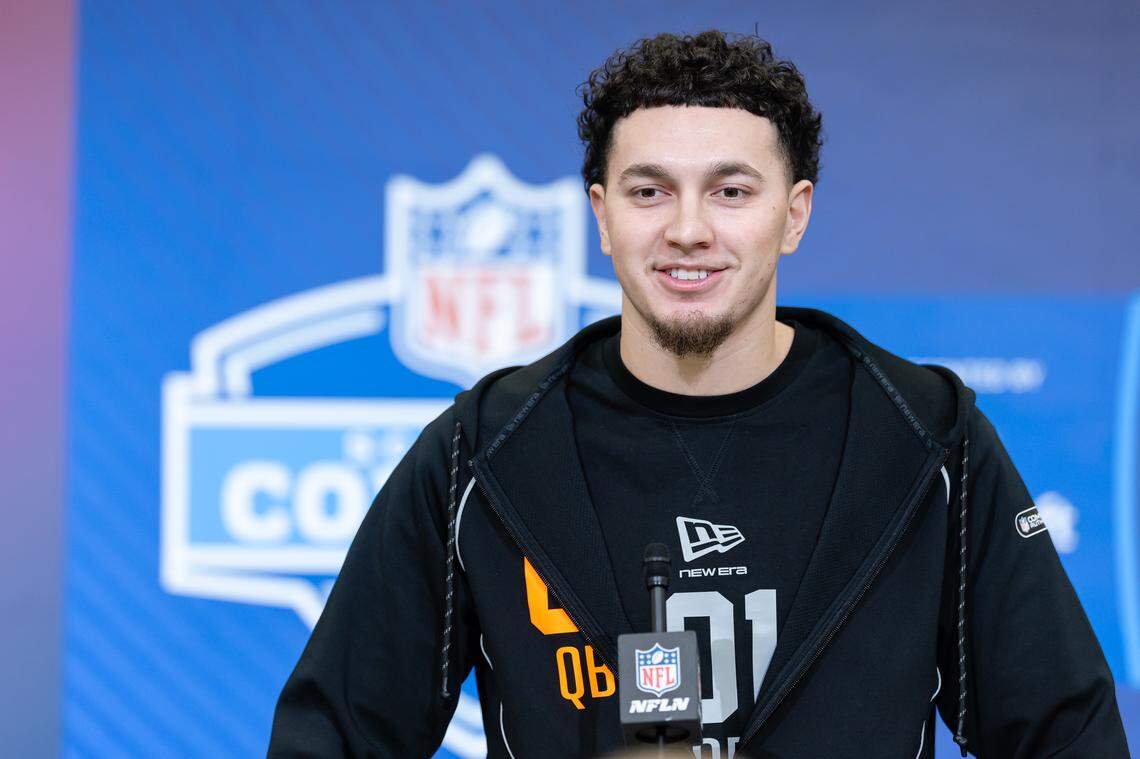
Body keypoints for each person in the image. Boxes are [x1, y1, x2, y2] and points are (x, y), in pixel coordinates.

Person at [268, 30, 1128, 758]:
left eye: (730, 190)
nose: (688, 228)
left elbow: (1068, 733)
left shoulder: (928, 442)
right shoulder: (481, 453)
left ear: (794, 214)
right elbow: (332, 735)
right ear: (601, 215)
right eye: (650, 191)